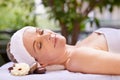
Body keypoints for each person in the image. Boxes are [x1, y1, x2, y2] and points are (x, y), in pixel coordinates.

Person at [6, 26, 120, 75]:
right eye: (39, 45)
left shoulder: (80, 46)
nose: (46, 36)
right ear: (41, 63)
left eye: (40, 31)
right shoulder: (77, 58)